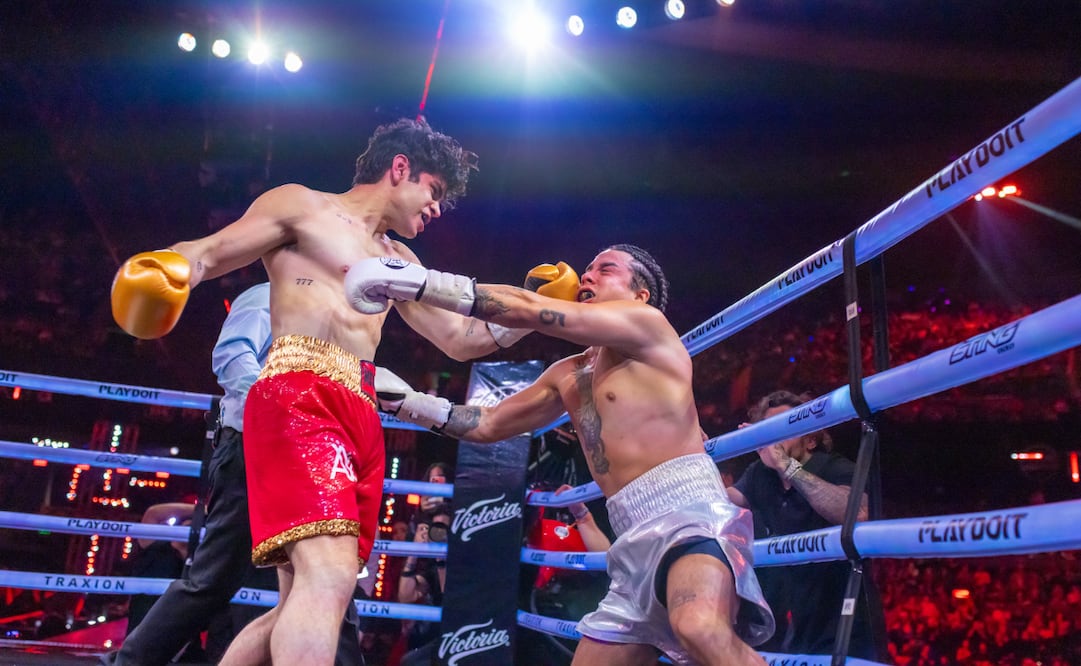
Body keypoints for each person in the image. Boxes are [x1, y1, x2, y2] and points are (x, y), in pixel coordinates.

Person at [109, 118, 579, 665]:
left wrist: (531, 309)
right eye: (435, 191)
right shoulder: (302, 206)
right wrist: (168, 267)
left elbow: (459, 339)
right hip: (298, 390)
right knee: (328, 579)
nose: (436, 209)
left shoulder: (401, 261)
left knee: (302, 598)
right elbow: (212, 251)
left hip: (359, 408)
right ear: (400, 168)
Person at [361, 245, 774, 665]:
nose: (586, 276)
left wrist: (422, 283)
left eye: (605, 269)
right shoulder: (568, 373)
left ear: (640, 294)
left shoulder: (647, 325)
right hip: (630, 536)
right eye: (588, 268)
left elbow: (528, 309)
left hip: (689, 512)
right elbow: (488, 424)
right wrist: (408, 403)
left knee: (699, 627)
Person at [103, 282, 363, 665]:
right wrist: (281, 408)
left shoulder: (339, 313)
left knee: (327, 579)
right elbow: (231, 356)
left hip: (314, 455)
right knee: (216, 579)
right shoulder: (268, 295)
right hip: (255, 445)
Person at [725, 389, 878, 658]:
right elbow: (721, 502)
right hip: (789, 622)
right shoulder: (759, 474)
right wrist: (696, 455)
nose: (775, 439)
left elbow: (858, 513)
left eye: (784, 429)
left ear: (810, 440)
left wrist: (787, 466)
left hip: (841, 619)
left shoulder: (832, 467)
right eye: (769, 430)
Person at [396, 505, 452, 666]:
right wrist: (414, 552)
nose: (439, 533)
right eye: (436, 527)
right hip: (435, 639)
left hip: (460, 635)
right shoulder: (431, 566)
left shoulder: (463, 559)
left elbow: (447, 594)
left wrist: (442, 557)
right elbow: (406, 597)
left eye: (443, 527)